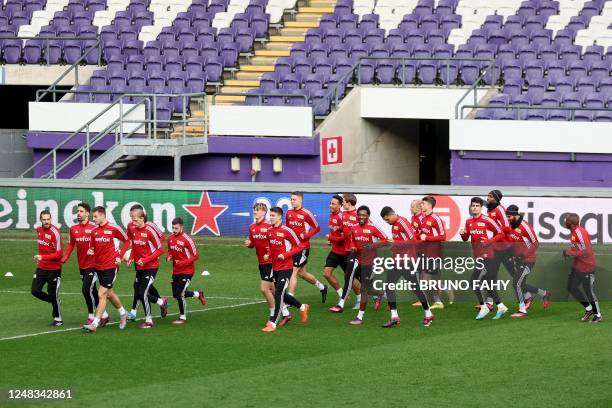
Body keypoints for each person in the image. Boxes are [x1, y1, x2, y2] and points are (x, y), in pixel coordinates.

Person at [380, 206, 434, 328]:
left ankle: (428, 313)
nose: (387, 222)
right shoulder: (394, 225)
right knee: (389, 286)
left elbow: (413, 240)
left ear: (391, 215)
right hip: (398, 260)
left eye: (387, 219)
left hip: (407, 261)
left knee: (416, 288)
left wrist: (396, 243)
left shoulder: (403, 222)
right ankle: (394, 316)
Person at [261, 207, 310, 333]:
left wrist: (286, 255)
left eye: (273, 215)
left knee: (278, 295)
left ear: (279, 217)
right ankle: (302, 307)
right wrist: (268, 255)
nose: (271, 217)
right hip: (275, 267)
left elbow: (300, 246)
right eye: (270, 215)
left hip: (287, 267)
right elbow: (271, 248)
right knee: (281, 293)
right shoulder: (269, 231)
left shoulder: (287, 231)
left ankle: (273, 323)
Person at [459, 197, 508, 320]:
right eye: (473, 205)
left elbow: (501, 233)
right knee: (487, 284)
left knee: (474, 281)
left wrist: (488, 241)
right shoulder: (468, 221)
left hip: (488, 256)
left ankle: (484, 306)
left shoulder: (488, 220)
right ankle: (501, 306)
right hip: (478, 257)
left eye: (477, 205)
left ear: (481, 207)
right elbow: (466, 238)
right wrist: (463, 234)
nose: (474, 207)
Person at [83, 206, 130, 333]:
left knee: (101, 294)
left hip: (111, 266)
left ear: (103, 216)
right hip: (98, 267)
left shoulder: (114, 228)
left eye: (95, 216)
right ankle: (123, 313)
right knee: (109, 294)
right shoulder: (94, 231)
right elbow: (92, 246)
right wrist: (91, 250)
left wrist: (120, 257)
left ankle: (95, 323)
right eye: (93, 217)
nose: (94, 219)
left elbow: (127, 241)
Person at [61, 202, 110, 326]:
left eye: (81, 211)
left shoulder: (94, 228)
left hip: (93, 265)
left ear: (88, 214)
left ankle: (92, 316)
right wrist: (65, 257)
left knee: (85, 289)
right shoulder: (73, 229)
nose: (78, 213)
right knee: (92, 290)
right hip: (82, 265)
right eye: (78, 211)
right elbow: (72, 244)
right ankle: (104, 315)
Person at [245, 202, 292, 326]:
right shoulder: (252, 227)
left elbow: (275, 243)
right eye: (254, 209)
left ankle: (273, 314)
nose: (255, 212)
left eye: (258, 210)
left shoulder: (268, 227)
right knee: (273, 290)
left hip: (270, 262)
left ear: (264, 212)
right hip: (261, 262)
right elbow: (253, 243)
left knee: (264, 288)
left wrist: (270, 254)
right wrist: (249, 243)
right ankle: (287, 312)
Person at [504, 205, 551, 317]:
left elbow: (535, 243)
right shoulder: (510, 225)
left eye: (509, 216)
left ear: (516, 215)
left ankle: (522, 310)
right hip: (518, 260)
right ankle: (544, 293)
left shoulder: (525, 226)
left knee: (516, 284)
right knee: (522, 284)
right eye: (506, 216)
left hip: (528, 261)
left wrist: (524, 254)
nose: (507, 218)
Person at [127, 207, 168, 328]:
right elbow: (134, 246)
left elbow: (161, 250)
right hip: (139, 267)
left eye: (135, 220)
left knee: (143, 292)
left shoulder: (150, 231)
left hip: (151, 266)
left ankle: (149, 320)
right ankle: (161, 302)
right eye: (132, 220)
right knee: (139, 292)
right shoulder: (133, 230)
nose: (132, 223)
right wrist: (131, 258)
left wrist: (145, 260)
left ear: (142, 218)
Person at [285, 191, 327, 302]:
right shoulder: (288, 212)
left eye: (294, 199)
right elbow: (288, 230)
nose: (292, 201)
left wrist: (307, 235)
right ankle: (322, 287)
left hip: (303, 247)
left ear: (300, 200)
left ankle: (290, 300)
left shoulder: (306, 213)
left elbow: (317, 228)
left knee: (293, 271)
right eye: (291, 199)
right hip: (293, 247)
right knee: (302, 273)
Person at [563, 213, 601, 323]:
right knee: (572, 287)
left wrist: (569, 252)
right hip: (578, 266)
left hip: (587, 266)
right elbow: (578, 249)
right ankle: (589, 309)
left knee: (588, 290)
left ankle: (598, 314)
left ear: (570, 223)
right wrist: (570, 253)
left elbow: (587, 251)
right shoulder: (574, 232)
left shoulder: (580, 233)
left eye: (566, 221)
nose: (565, 222)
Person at [167, 217, 206, 324]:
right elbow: (170, 250)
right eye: (173, 228)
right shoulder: (170, 238)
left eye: (176, 228)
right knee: (175, 294)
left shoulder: (187, 239)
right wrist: (169, 256)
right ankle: (198, 294)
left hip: (187, 271)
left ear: (181, 227)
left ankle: (182, 317)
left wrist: (182, 263)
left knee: (179, 294)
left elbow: (196, 256)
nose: (174, 230)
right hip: (176, 271)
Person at [31, 210, 64, 326]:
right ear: (40, 220)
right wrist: (42, 258)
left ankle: (58, 319)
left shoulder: (55, 233)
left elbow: (60, 254)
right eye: (44, 219)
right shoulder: (39, 230)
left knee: (53, 293)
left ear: (51, 219)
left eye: (48, 219)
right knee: (35, 291)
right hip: (41, 268)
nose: (46, 222)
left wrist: (42, 257)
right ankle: (54, 301)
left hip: (54, 269)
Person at [418, 196, 449, 309]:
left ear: (430, 205)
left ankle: (439, 300)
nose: (421, 205)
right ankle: (434, 300)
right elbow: (421, 236)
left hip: (433, 253)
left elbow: (443, 236)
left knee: (426, 278)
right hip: (424, 253)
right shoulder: (423, 219)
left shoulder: (436, 218)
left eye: (423, 204)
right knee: (423, 277)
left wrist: (427, 237)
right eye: (421, 204)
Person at [339, 193, 362, 309]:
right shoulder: (343, 214)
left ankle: (343, 302)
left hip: (357, 252)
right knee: (353, 277)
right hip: (347, 250)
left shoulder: (358, 215)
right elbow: (344, 230)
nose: (342, 203)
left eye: (343, 201)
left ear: (348, 203)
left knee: (353, 277)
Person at [323, 195, 347, 303]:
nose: (330, 205)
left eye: (333, 204)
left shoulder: (342, 217)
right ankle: (342, 294)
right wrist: (331, 240)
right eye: (330, 203)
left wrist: (331, 238)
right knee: (326, 273)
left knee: (353, 279)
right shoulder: (331, 215)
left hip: (345, 253)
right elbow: (334, 233)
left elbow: (344, 237)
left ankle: (363, 297)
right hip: (335, 251)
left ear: (340, 205)